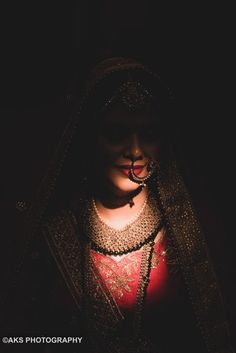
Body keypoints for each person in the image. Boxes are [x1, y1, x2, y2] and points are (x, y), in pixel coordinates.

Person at [3, 57, 235, 353]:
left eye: (148, 134)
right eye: (116, 133)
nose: (135, 151)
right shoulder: (54, 234)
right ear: (89, 139)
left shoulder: (189, 232)